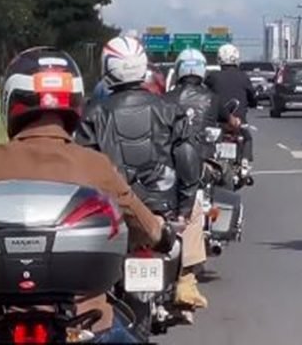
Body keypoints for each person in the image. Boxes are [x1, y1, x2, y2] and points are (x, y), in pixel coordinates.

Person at [0, 46, 175, 342]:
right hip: (84, 323)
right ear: (75, 102)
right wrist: (164, 235)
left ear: (11, 101)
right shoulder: (95, 165)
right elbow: (144, 226)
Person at [75, 36, 208, 310]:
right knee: (196, 206)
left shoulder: (93, 113)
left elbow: (83, 165)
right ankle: (186, 279)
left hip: (116, 209)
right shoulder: (170, 109)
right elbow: (187, 159)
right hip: (164, 208)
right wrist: (182, 208)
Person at [165, 48, 240, 160]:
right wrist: (237, 122)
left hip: (173, 158)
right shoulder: (212, 98)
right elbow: (231, 122)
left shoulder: (166, 98)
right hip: (205, 158)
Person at [205, 44, 257, 168]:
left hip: (217, 122)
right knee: (247, 137)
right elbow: (253, 97)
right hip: (238, 124)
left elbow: (204, 94)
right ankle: (244, 161)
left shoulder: (213, 77)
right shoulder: (243, 77)